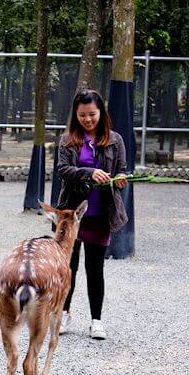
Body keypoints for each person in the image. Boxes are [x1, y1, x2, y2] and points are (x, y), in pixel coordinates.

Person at [55, 89, 128, 340]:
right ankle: (64, 313)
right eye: (83, 115)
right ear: (76, 115)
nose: (88, 119)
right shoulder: (67, 140)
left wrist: (119, 180)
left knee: (95, 269)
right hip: (72, 216)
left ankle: (96, 320)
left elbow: (121, 171)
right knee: (68, 268)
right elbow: (63, 170)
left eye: (93, 114)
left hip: (101, 214)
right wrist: (89, 172)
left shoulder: (116, 140)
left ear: (101, 113)